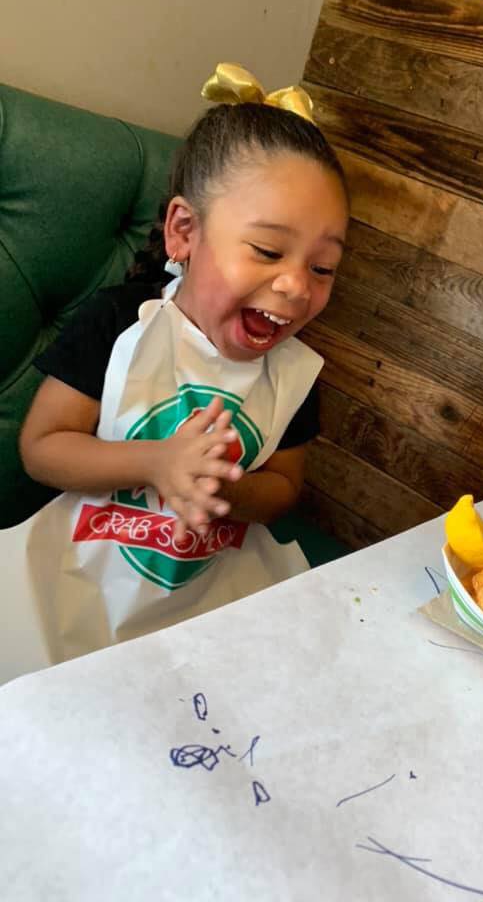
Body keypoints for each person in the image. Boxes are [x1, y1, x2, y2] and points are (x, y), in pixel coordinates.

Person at [8, 63, 349, 665]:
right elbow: (42, 448)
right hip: (78, 580)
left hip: (211, 595)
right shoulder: (118, 323)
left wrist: (227, 489)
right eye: (268, 250)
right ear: (184, 231)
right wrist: (157, 462)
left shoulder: (291, 374)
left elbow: (283, 489)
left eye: (323, 267)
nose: (297, 285)